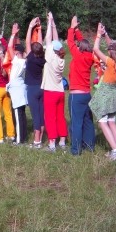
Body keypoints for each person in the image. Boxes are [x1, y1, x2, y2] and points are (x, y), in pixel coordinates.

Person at [89, 22, 116, 160]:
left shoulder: (110, 62)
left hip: (105, 92)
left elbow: (96, 49)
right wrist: (106, 34)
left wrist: (99, 34)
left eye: (109, 50)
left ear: (111, 52)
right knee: (111, 121)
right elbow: (114, 46)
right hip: (114, 92)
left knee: (102, 121)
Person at [67, 16, 96, 156]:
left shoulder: (78, 56)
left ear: (80, 48)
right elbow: (83, 43)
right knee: (87, 120)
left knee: (76, 122)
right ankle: (89, 146)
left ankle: (76, 149)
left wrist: (71, 28)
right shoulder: (90, 56)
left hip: (76, 95)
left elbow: (70, 42)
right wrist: (77, 31)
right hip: (86, 94)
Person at [41, 12, 67, 152]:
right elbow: (55, 40)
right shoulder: (61, 59)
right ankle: (62, 141)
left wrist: (49, 21)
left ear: (52, 50)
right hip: (60, 92)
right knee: (60, 117)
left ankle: (52, 144)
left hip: (50, 92)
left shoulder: (50, 57)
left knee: (50, 117)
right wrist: (53, 23)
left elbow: (48, 38)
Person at [5, 24, 28, 145]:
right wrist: (17, 35)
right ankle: (23, 137)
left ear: (17, 52)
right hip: (21, 89)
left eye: (14, 51)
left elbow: (9, 46)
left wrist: (13, 34)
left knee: (18, 115)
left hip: (17, 90)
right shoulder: (24, 61)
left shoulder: (17, 61)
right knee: (22, 114)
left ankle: (19, 140)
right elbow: (18, 48)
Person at [25, 18, 45, 148]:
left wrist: (30, 26)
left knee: (35, 116)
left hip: (32, 89)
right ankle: (41, 138)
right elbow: (40, 44)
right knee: (41, 114)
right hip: (41, 87)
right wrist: (39, 29)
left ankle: (37, 141)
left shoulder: (31, 58)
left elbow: (27, 41)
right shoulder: (42, 58)